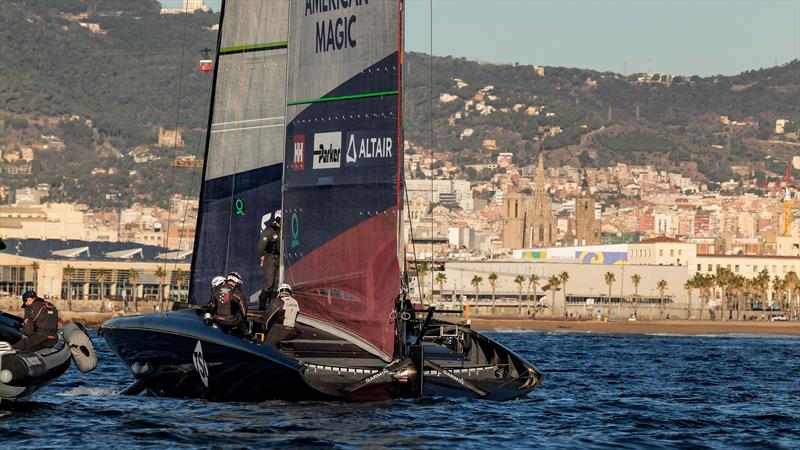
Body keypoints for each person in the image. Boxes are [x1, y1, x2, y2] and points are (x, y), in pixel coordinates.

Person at [257, 211, 281, 310]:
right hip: (270, 257)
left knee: (276, 284)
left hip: (280, 258)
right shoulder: (270, 229)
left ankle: (272, 306)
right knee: (269, 283)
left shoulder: (284, 230)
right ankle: (262, 305)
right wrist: (262, 256)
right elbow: (261, 245)